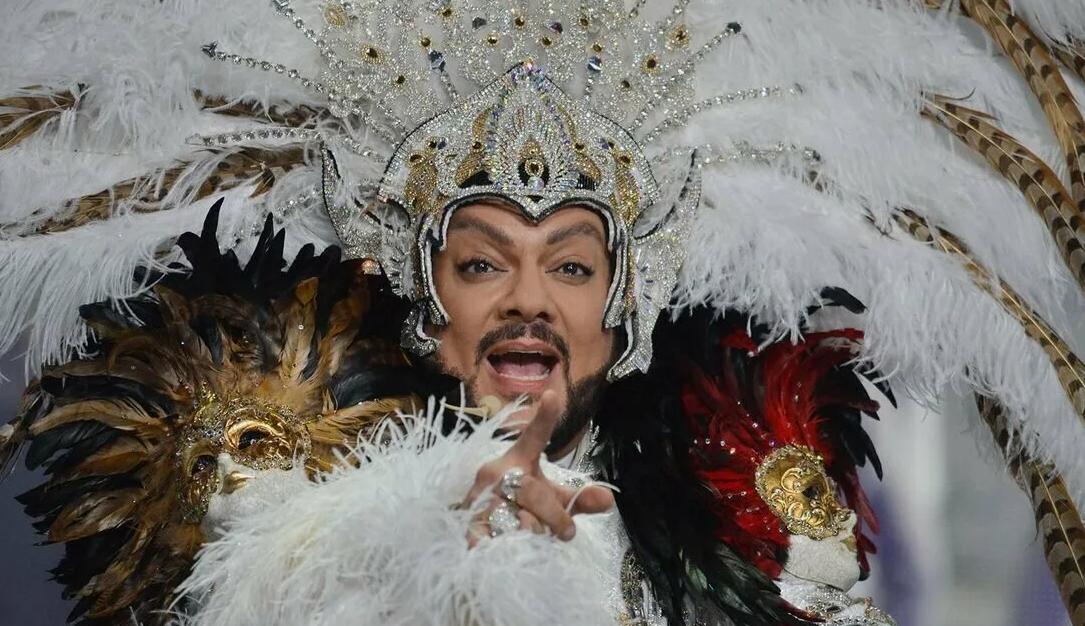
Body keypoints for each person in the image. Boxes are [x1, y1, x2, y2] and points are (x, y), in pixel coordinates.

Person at [3, 0, 1085, 624]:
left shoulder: (747, 496)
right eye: (483, 263)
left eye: (569, 266)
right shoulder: (292, 498)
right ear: (423, 296)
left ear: (626, 303)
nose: (527, 300)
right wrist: (398, 542)